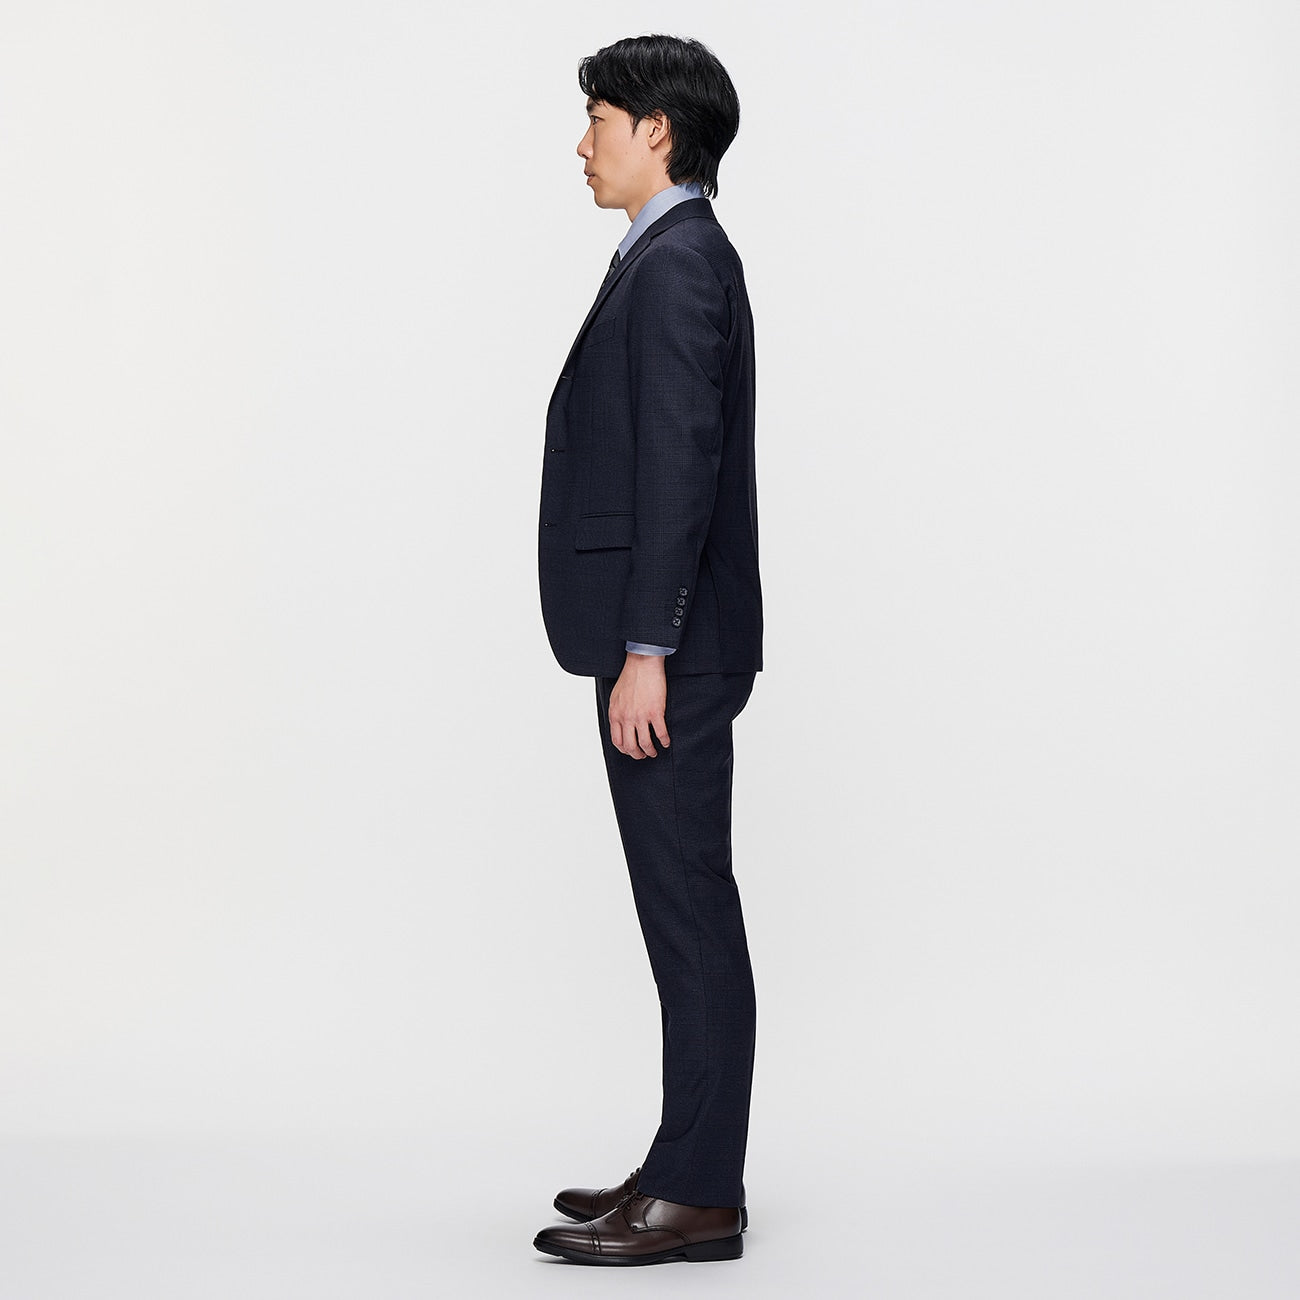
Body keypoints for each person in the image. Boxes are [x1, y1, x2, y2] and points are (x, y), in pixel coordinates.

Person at [533, 33, 764, 1267]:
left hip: (669, 653)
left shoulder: (678, 265)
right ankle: (684, 1163)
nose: (582, 145)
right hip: (666, 644)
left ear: (657, 131)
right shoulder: (669, 254)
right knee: (680, 908)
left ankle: (698, 1193)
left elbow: (679, 465)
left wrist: (645, 649)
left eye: (599, 120)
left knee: (688, 910)